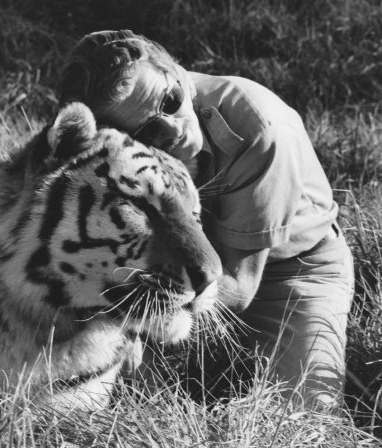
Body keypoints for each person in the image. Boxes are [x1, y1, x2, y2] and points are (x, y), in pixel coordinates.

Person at [58, 29, 354, 409]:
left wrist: (127, 309)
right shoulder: (108, 154)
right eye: (147, 131)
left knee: (307, 414)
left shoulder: (262, 126)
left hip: (291, 269)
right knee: (122, 404)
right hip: (165, 266)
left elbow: (240, 286)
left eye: (170, 101)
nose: (174, 129)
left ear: (178, 73)